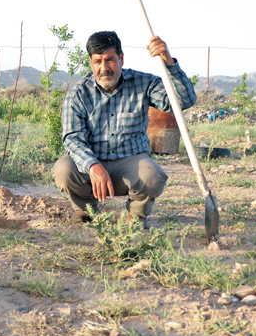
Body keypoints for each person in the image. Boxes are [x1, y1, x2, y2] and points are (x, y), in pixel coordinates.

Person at [52, 31, 197, 224]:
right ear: (91, 63)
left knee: (152, 175)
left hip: (131, 164)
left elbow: (184, 101)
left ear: (121, 58)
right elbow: (72, 138)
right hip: (92, 165)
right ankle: (86, 209)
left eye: (110, 60)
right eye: (98, 62)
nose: (104, 68)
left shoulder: (144, 83)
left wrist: (168, 60)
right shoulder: (78, 94)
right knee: (64, 168)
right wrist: (93, 165)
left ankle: (135, 215)